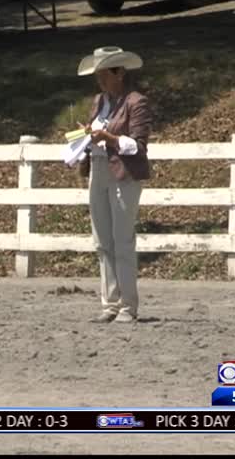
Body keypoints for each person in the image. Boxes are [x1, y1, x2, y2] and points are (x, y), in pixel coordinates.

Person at [73, 46, 153, 324]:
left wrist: (109, 138)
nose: (99, 80)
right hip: (97, 169)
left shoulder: (136, 102)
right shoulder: (98, 101)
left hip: (123, 174)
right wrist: (83, 139)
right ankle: (109, 303)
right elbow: (95, 134)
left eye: (103, 74)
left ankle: (128, 305)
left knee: (122, 240)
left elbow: (138, 146)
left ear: (118, 73)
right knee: (102, 241)